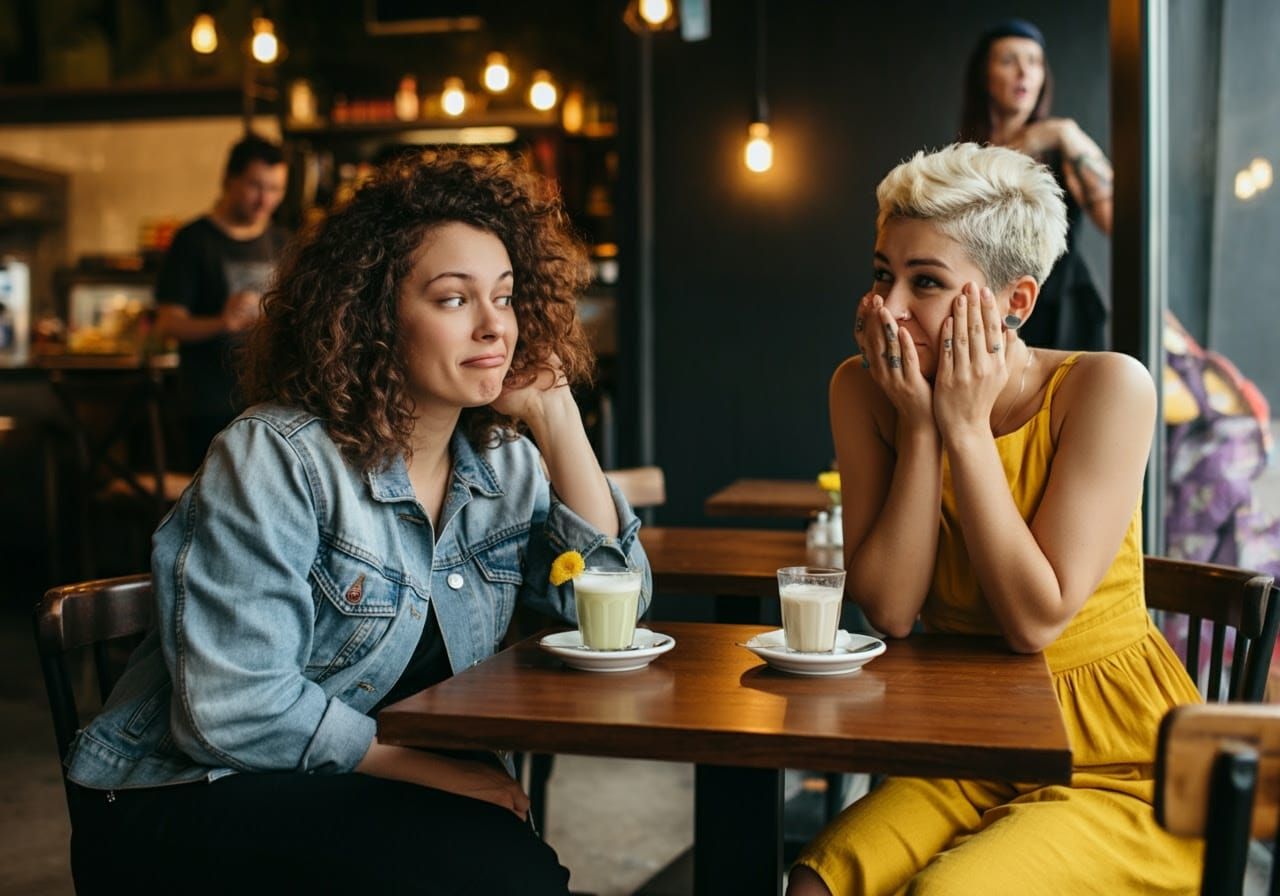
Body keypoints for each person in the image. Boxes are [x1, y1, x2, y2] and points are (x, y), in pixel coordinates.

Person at [63, 146, 651, 895]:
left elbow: (612, 614)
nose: (493, 327)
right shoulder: (276, 458)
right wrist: (424, 770)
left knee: (508, 869)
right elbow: (233, 708)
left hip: (347, 786)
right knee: (507, 875)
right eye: (452, 299)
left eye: (504, 297)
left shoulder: (502, 464)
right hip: (189, 795)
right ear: (373, 318)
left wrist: (557, 412)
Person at [787, 143, 1201, 895]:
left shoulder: (1109, 388)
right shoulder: (864, 389)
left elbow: (1034, 622)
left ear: (1014, 303)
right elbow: (891, 608)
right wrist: (920, 430)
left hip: (1116, 761)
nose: (892, 308)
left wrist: (967, 429)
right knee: (816, 883)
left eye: (928, 283)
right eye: (884, 274)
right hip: (967, 746)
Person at [958, 18, 1113, 351]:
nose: (1023, 72)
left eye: (1034, 62)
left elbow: (1119, 223)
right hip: (990, 307)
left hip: (1064, 314)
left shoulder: (1061, 148)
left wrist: (1068, 134)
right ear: (985, 75)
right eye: (1009, 60)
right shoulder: (964, 160)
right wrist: (1023, 143)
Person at [154, 132, 289, 469]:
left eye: (275, 190)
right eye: (256, 186)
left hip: (271, 405)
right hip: (207, 406)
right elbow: (168, 323)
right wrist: (221, 323)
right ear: (229, 180)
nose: (265, 200)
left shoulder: (283, 241)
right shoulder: (193, 240)